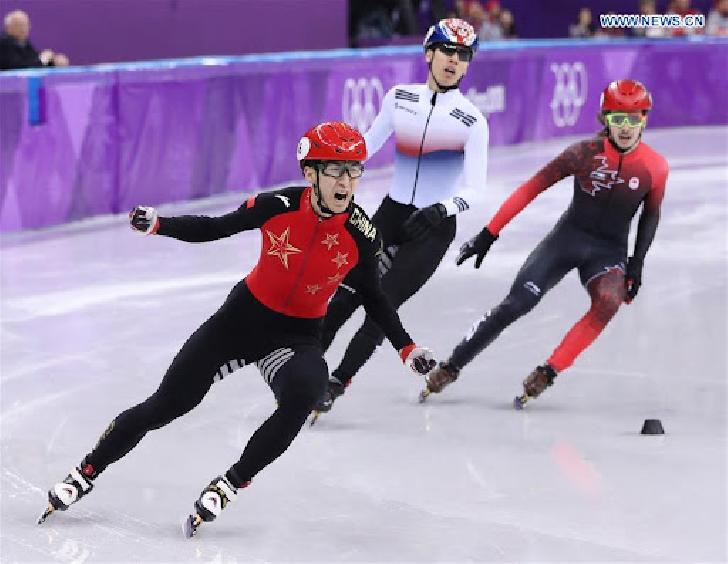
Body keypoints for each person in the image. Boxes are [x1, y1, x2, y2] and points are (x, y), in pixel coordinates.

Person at [38, 121, 437, 537]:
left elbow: (373, 295)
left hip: (297, 337)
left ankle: (231, 482)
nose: (347, 182)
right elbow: (215, 228)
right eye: (336, 170)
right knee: (167, 405)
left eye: (354, 171)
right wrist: (160, 224)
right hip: (240, 322)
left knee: (307, 393)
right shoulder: (277, 204)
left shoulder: (361, 233)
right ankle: (86, 471)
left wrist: (406, 348)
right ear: (310, 174)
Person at [422, 80, 669, 408]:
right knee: (518, 303)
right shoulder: (583, 154)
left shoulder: (655, 167)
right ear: (605, 119)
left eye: (633, 119)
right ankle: (453, 365)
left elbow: (650, 216)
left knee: (609, 300)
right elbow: (532, 187)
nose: (626, 128)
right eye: (618, 119)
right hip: (566, 241)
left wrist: (636, 264)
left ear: (645, 120)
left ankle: (548, 372)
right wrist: (490, 232)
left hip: (607, 253)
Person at [311, 18, 488, 419]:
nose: (454, 62)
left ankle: (336, 382)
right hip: (389, 215)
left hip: (433, 227)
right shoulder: (399, 98)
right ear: (429, 54)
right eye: (447, 52)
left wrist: (442, 208)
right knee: (345, 294)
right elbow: (365, 148)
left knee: (381, 307)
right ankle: (308, 367)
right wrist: (331, 165)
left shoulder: (472, 121)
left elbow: (476, 189)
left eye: (463, 56)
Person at [0, 10, 69, 71]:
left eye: (26, 25)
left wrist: (53, 63)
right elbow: (19, 68)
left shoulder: (25, 43)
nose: (24, 29)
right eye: (20, 25)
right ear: (8, 27)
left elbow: (35, 62)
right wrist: (43, 59)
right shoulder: (4, 43)